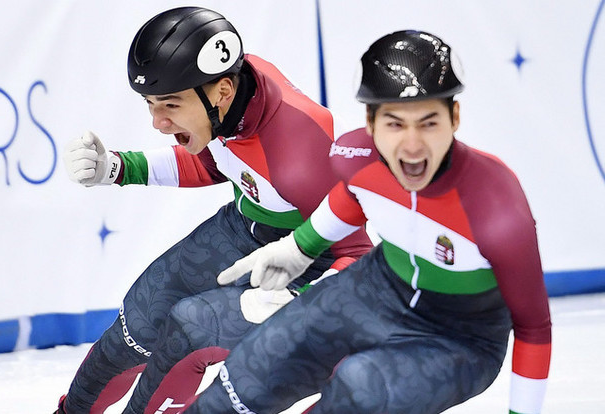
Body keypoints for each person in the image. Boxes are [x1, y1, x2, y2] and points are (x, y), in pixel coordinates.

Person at [183, 30, 552, 414]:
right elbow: (354, 195)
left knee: (362, 387)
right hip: (376, 287)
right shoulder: (355, 154)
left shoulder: (498, 209)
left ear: (455, 118)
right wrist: (298, 247)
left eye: (429, 123)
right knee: (256, 365)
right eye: (395, 124)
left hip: (460, 336)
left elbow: (534, 328)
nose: (412, 146)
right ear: (371, 124)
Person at [57, 6, 373, 414]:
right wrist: (119, 167)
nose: (157, 122)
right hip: (247, 226)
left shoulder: (301, 155)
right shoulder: (231, 94)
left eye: (169, 104)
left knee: (187, 333)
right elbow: (218, 161)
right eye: (150, 103)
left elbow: (357, 255)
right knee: (132, 330)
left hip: (314, 263)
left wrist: (304, 303)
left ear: (222, 92)